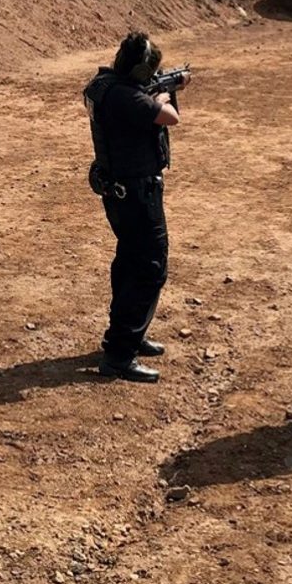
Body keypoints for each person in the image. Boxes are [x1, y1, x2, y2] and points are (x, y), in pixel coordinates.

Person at [83, 31, 190, 383]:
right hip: (137, 190)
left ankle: (127, 333)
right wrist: (163, 94)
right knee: (149, 265)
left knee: (129, 261)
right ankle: (120, 354)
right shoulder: (130, 98)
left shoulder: (104, 86)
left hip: (120, 190)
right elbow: (170, 117)